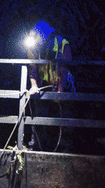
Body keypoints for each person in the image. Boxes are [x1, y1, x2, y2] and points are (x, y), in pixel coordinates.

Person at [24, 20, 73, 152]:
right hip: (44, 84)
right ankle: (38, 146)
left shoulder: (62, 44)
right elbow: (32, 68)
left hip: (65, 84)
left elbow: (64, 67)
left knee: (65, 116)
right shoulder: (32, 47)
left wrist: (60, 89)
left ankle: (65, 148)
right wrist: (33, 86)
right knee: (40, 114)